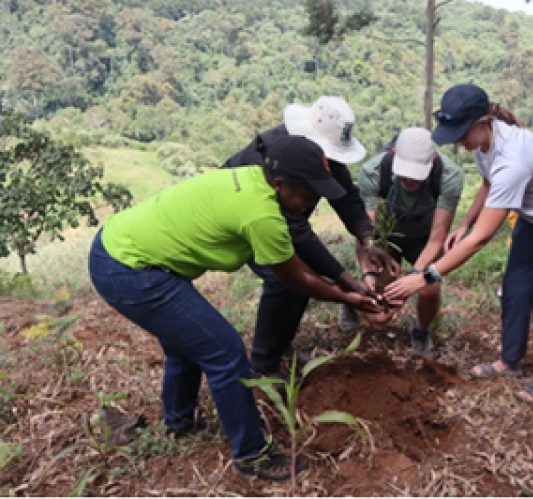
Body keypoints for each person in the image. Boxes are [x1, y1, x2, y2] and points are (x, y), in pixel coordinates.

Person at [88, 135, 384, 481]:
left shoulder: (250, 178)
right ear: (279, 184)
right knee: (225, 353)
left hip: (120, 247)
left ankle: (180, 423)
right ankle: (252, 455)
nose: (309, 204)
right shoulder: (261, 216)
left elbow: (302, 259)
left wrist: (350, 283)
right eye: (306, 195)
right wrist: (348, 297)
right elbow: (297, 278)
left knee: (188, 344)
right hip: (128, 268)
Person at [384, 83, 533, 404]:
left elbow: (481, 239)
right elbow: (488, 184)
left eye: (462, 132)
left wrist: (424, 276)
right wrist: (464, 222)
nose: (460, 141)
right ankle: (510, 361)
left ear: (483, 122)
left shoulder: (514, 158)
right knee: (515, 290)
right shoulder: (485, 145)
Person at [221, 96, 393, 379]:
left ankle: (281, 345)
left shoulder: (321, 154)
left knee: (305, 274)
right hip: (242, 219)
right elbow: (297, 231)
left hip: (279, 221)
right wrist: (344, 281)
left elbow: (347, 196)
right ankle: (263, 365)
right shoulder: (274, 157)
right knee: (284, 278)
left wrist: (368, 239)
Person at [339, 127, 465, 357]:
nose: (410, 180)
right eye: (405, 172)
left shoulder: (450, 176)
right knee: (381, 316)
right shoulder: (373, 172)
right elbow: (365, 231)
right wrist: (368, 270)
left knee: (429, 287)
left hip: (425, 238)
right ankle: (350, 298)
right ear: (395, 154)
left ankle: (421, 331)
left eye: (418, 174)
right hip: (388, 240)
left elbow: (438, 236)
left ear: (433, 160)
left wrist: (414, 277)